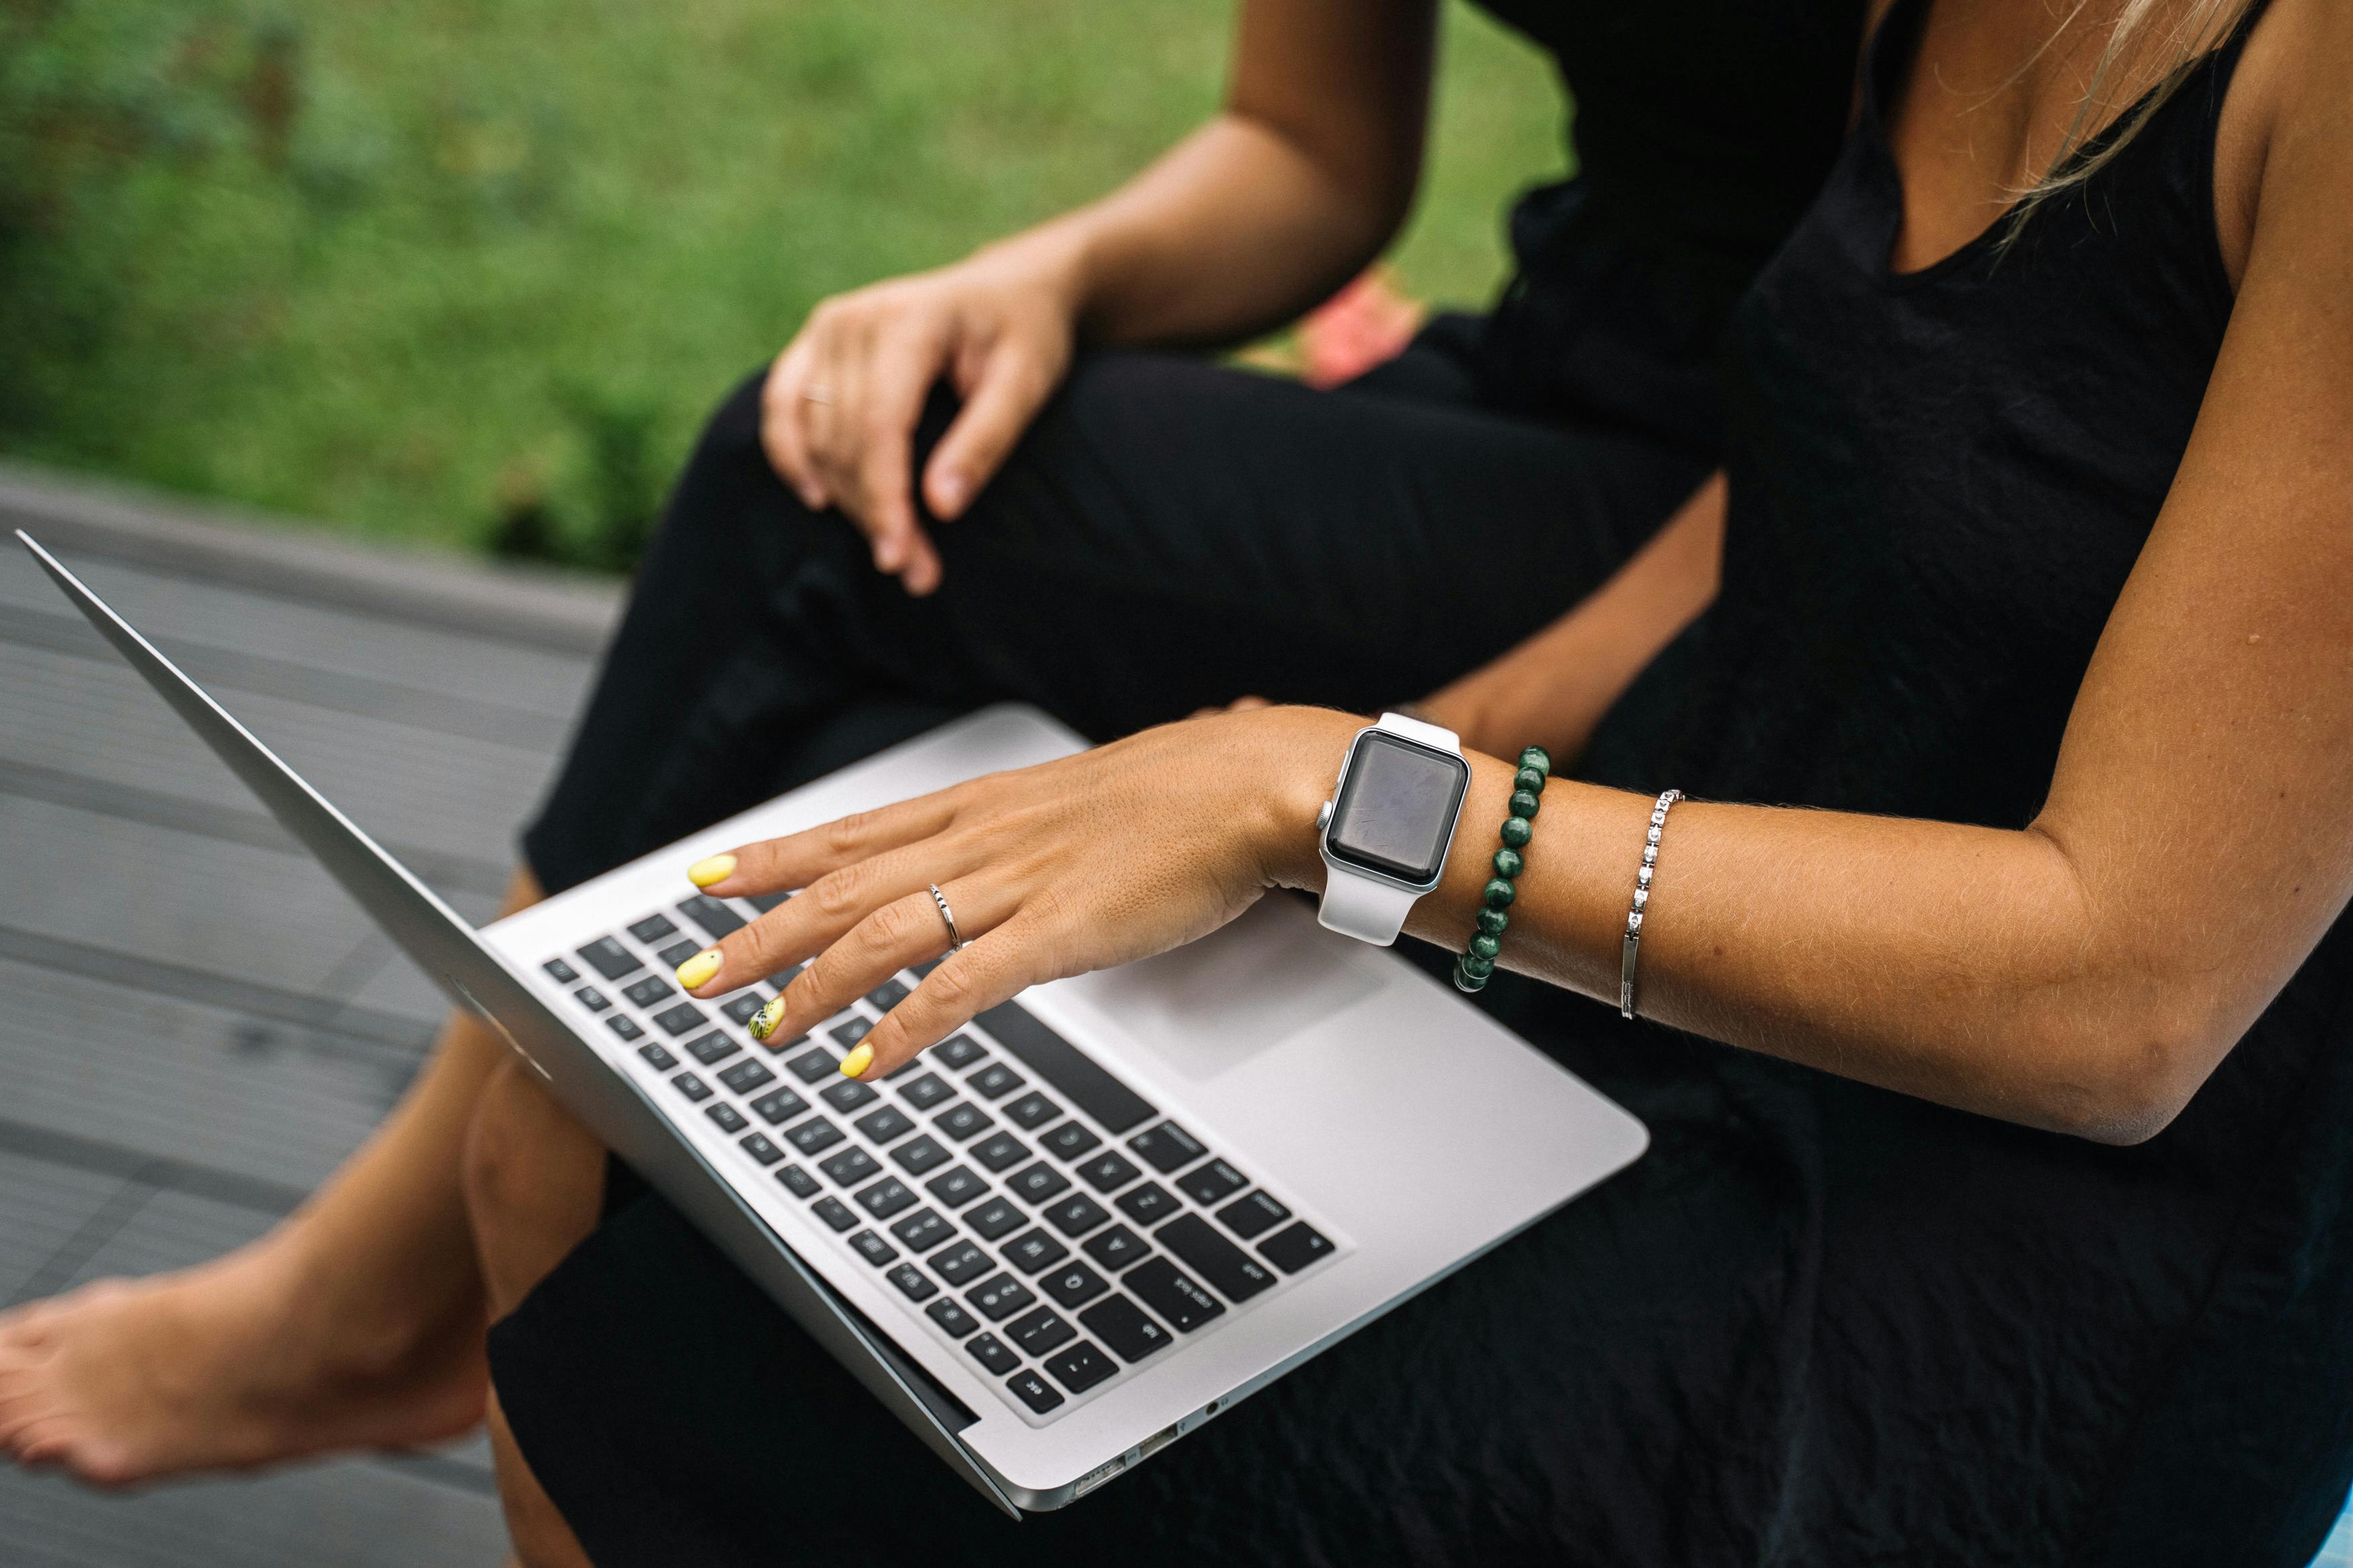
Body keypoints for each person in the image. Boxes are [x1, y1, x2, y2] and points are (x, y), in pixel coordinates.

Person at [11, 0, 2352, 1559]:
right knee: (636, 1168)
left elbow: (2123, 1000)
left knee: (712, 1400)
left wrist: (1339, 809)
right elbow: (1776, 512)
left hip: (2022, 1266)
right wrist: (1277, 799)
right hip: (1693, 983)